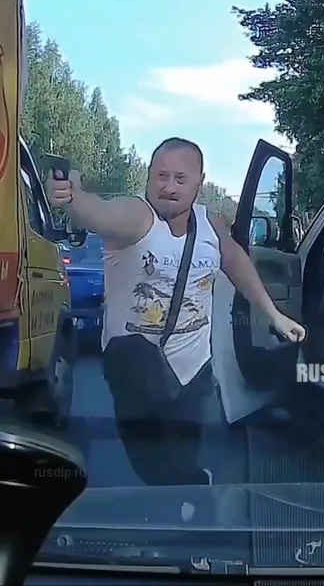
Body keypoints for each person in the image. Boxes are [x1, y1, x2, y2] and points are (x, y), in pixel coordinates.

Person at [44, 137, 306, 501]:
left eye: (180, 179)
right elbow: (98, 212)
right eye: (161, 176)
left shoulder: (209, 224)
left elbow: (236, 262)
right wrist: (72, 197)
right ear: (149, 177)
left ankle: (192, 507)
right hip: (137, 371)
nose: (169, 187)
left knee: (186, 461)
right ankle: (188, 499)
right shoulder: (138, 217)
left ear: (199, 181)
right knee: (152, 464)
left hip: (193, 371)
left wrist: (274, 315)